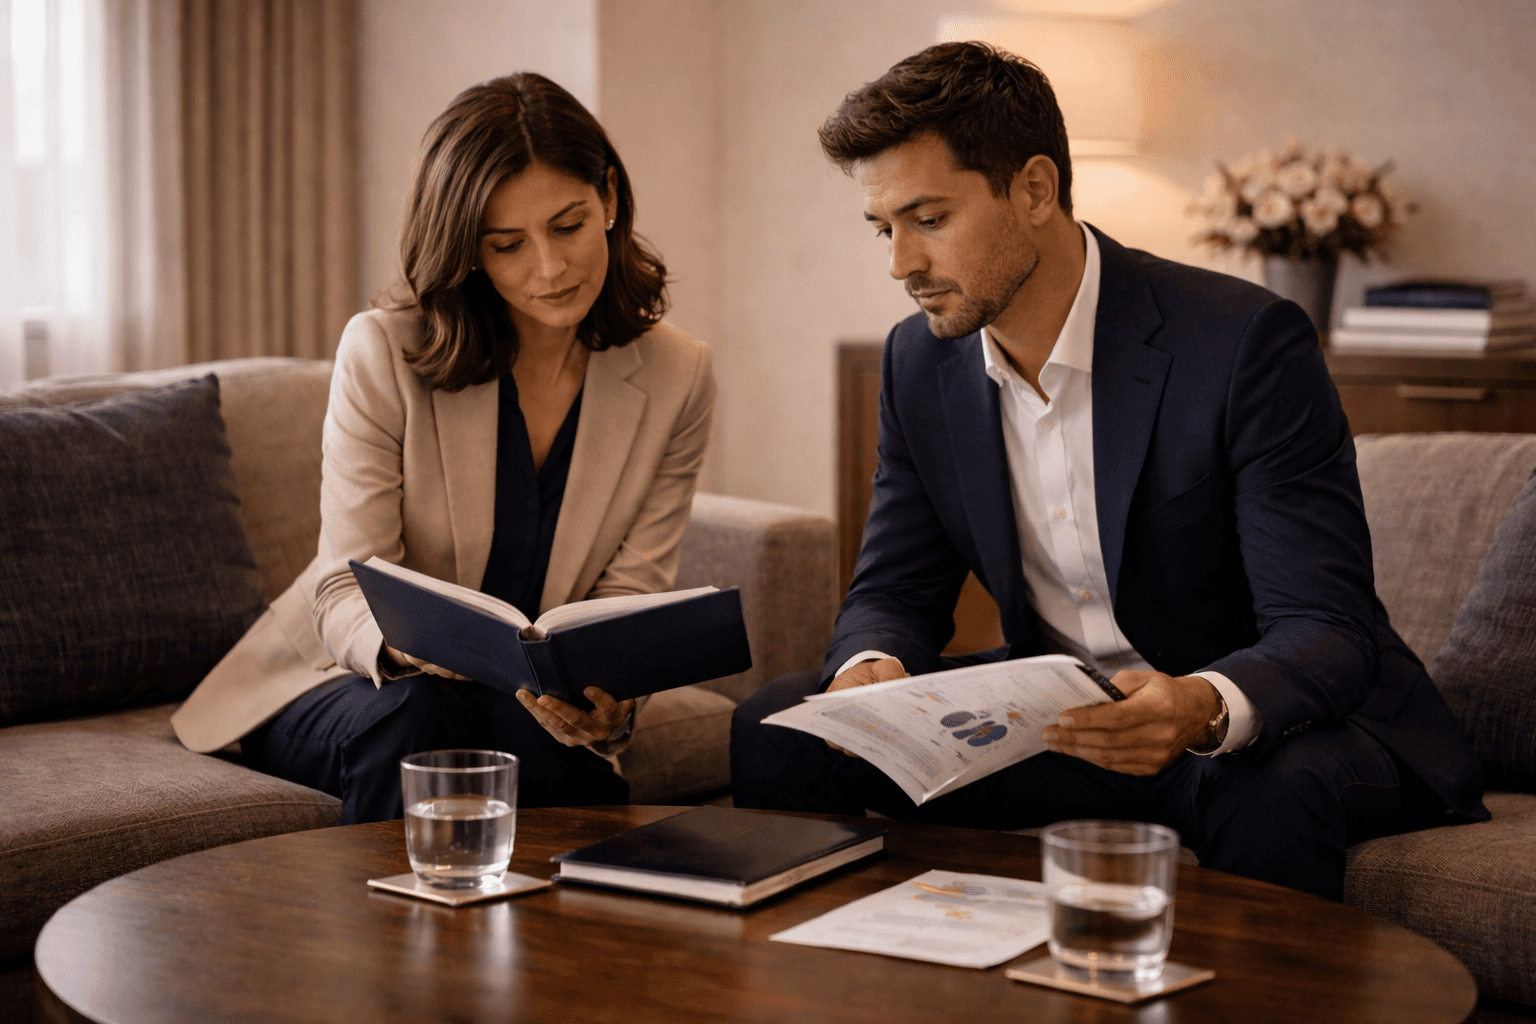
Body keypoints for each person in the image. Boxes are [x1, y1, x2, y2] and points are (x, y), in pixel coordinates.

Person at [730, 42, 1486, 900]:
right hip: (1066, 724)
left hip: (1250, 726)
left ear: (1034, 189)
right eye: (884, 228)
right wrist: (869, 668)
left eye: (929, 219)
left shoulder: (1242, 343)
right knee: (780, 725)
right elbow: (896, 589)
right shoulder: (918, 362)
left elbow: (1325, 626)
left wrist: (1202, 703)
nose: (900, 264)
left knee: (1271, 791)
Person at [172, 73, 715, 823]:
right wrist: (413, 647)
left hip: (512, 699)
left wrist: (609, 701)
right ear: (468, 250)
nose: (550, 268)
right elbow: (344, 587)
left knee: (554, 754)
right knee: (421, 718)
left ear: (610, 200)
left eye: (568, 226)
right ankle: (385, 910)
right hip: (348, 677)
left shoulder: (678, 372)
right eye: (507, 245)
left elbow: (630, 596)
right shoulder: (383, 352)